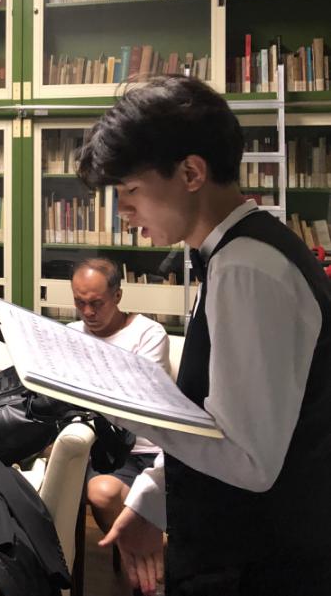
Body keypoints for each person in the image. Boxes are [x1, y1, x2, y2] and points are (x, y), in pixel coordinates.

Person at [76, 75, 331, 596]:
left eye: (131, 191)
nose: (123, 212)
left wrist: (128, 408)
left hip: (261, 565)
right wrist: (150, 495)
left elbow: (249, 460)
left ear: (191, 172)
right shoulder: (232, 253)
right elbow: (217, 413)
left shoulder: (246, 268)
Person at [68, 258, 170, 536]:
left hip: (149, 449)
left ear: (117, 296)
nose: (87, 312)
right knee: (101, 492)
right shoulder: (70, 335)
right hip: (99, 448)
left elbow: (140, 396)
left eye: (96, 303)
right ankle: (148, 551)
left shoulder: (147, 333)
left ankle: (146, 551)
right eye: (79, 302)